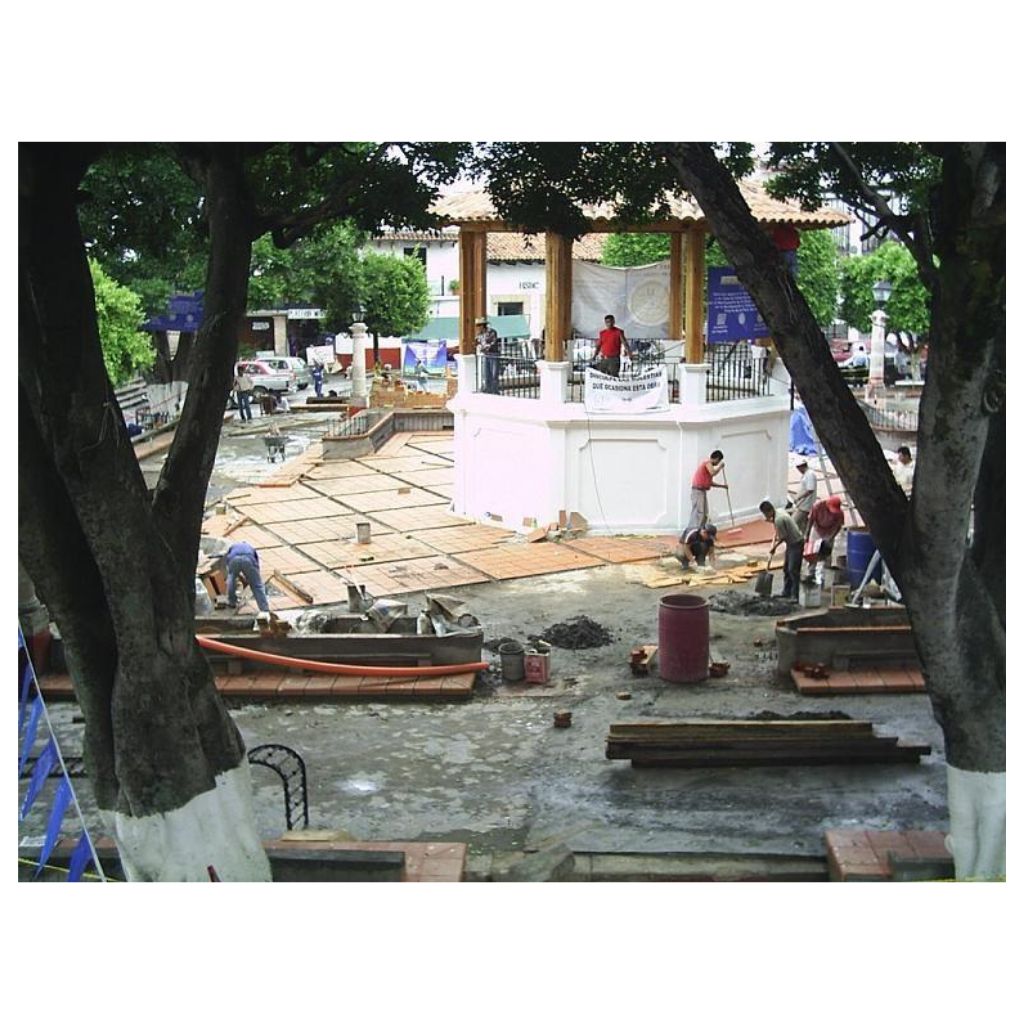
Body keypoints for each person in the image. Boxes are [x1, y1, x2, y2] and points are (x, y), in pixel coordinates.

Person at [760, 500, 804, 600]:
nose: (765, 516)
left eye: (764, 514)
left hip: (796, 543)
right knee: (786, 569)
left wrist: (774, 548)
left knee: (793, 570)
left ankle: (795, 596)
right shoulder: (779, 512)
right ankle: (786, 592)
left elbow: (783, 537)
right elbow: (779, 530)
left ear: (768, 512)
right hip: (791, 544)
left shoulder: (779, 520)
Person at [803, 495, 844, 583]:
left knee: (827, 553)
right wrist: (807, 534)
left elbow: (839, 526)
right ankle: (811, 573)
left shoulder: (839, 513)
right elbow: (811, 520)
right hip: (817, 528)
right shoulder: (817, 506)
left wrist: (832, 537)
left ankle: (826, 575)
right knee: (812, 552)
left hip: (830, 531)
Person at [224, 541, 270, 613]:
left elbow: (228, 563)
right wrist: (253, 578)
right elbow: (256, 565)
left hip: (234, 559)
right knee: (257, 585)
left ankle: (232, 602)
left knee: (231, 579)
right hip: (248, 559)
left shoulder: (233, 547)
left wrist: (238, 576)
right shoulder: (250, 548)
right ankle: (264, 609)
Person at [686, 449, 727, 532]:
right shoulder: (707, 463)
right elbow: (713, 472)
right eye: (719, 461)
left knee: (704, 513)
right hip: (698, 491)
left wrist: (722, 486)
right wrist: (720, 467)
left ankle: (701, 531)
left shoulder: (708, 468)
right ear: (716, 458)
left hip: (702, 491)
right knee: (699, 513)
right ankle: (693, 532)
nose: (718, 463)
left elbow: (709, 482)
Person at [791, 458, 818, 534]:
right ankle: (805, 538)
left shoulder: (810, 475)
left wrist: (799, 497)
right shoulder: (806, 474)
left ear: (801, 467)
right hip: (802, 504)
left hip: (805, 505)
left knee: (794, 521)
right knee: (804, 525)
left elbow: (810, 489)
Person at [475, 316, 500, 394]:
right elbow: (477, 342)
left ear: (483, 325)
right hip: (485, 355)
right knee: (486, 374)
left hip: (493, 355)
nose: (478, 327)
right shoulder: (480, 334)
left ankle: (495, 390)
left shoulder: (492, 332)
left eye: (479, 326)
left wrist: (484, 347)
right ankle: (488, 389)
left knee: (494, 374)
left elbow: (493, 343)